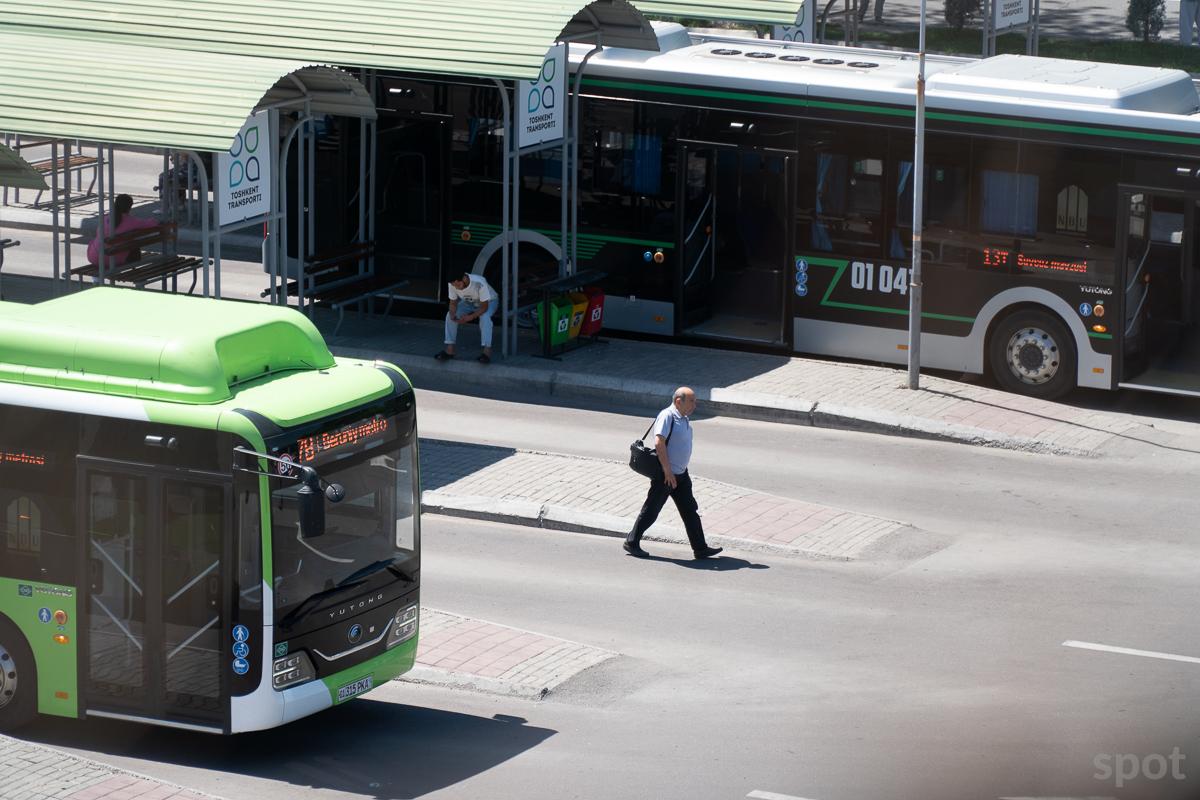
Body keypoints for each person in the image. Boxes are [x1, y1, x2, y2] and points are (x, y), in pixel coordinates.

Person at [624, 387, 723, 560]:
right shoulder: (667, 416)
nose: (695, 404)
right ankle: (632, 542)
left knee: (690, 511)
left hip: (681, 475)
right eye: (691, 401)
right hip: (667, 476)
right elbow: (659, 442)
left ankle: (700, 548)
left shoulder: (683, 418)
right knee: (651, 510)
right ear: (679, 401)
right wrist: (667, 471)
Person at [435, 272, 497, 364]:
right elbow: (453, 303)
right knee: (449, 315)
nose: (457, 287)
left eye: (458, 284)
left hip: (489, 301)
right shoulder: (452, 284)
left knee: (485, 317)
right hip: (469, 302)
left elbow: (484, 307)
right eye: (454, 285)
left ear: (465, 278)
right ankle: (450, 349)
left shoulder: (479, 282)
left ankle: (487, 351)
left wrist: (471, 317)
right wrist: (453, 314)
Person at [86, 194, 158, 266]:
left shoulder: (105, 218)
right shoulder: (130, 221)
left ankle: (98, 276)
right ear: (129, 207)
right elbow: (152, 224)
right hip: (110, 260)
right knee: (134, 245)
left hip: (94, 256)